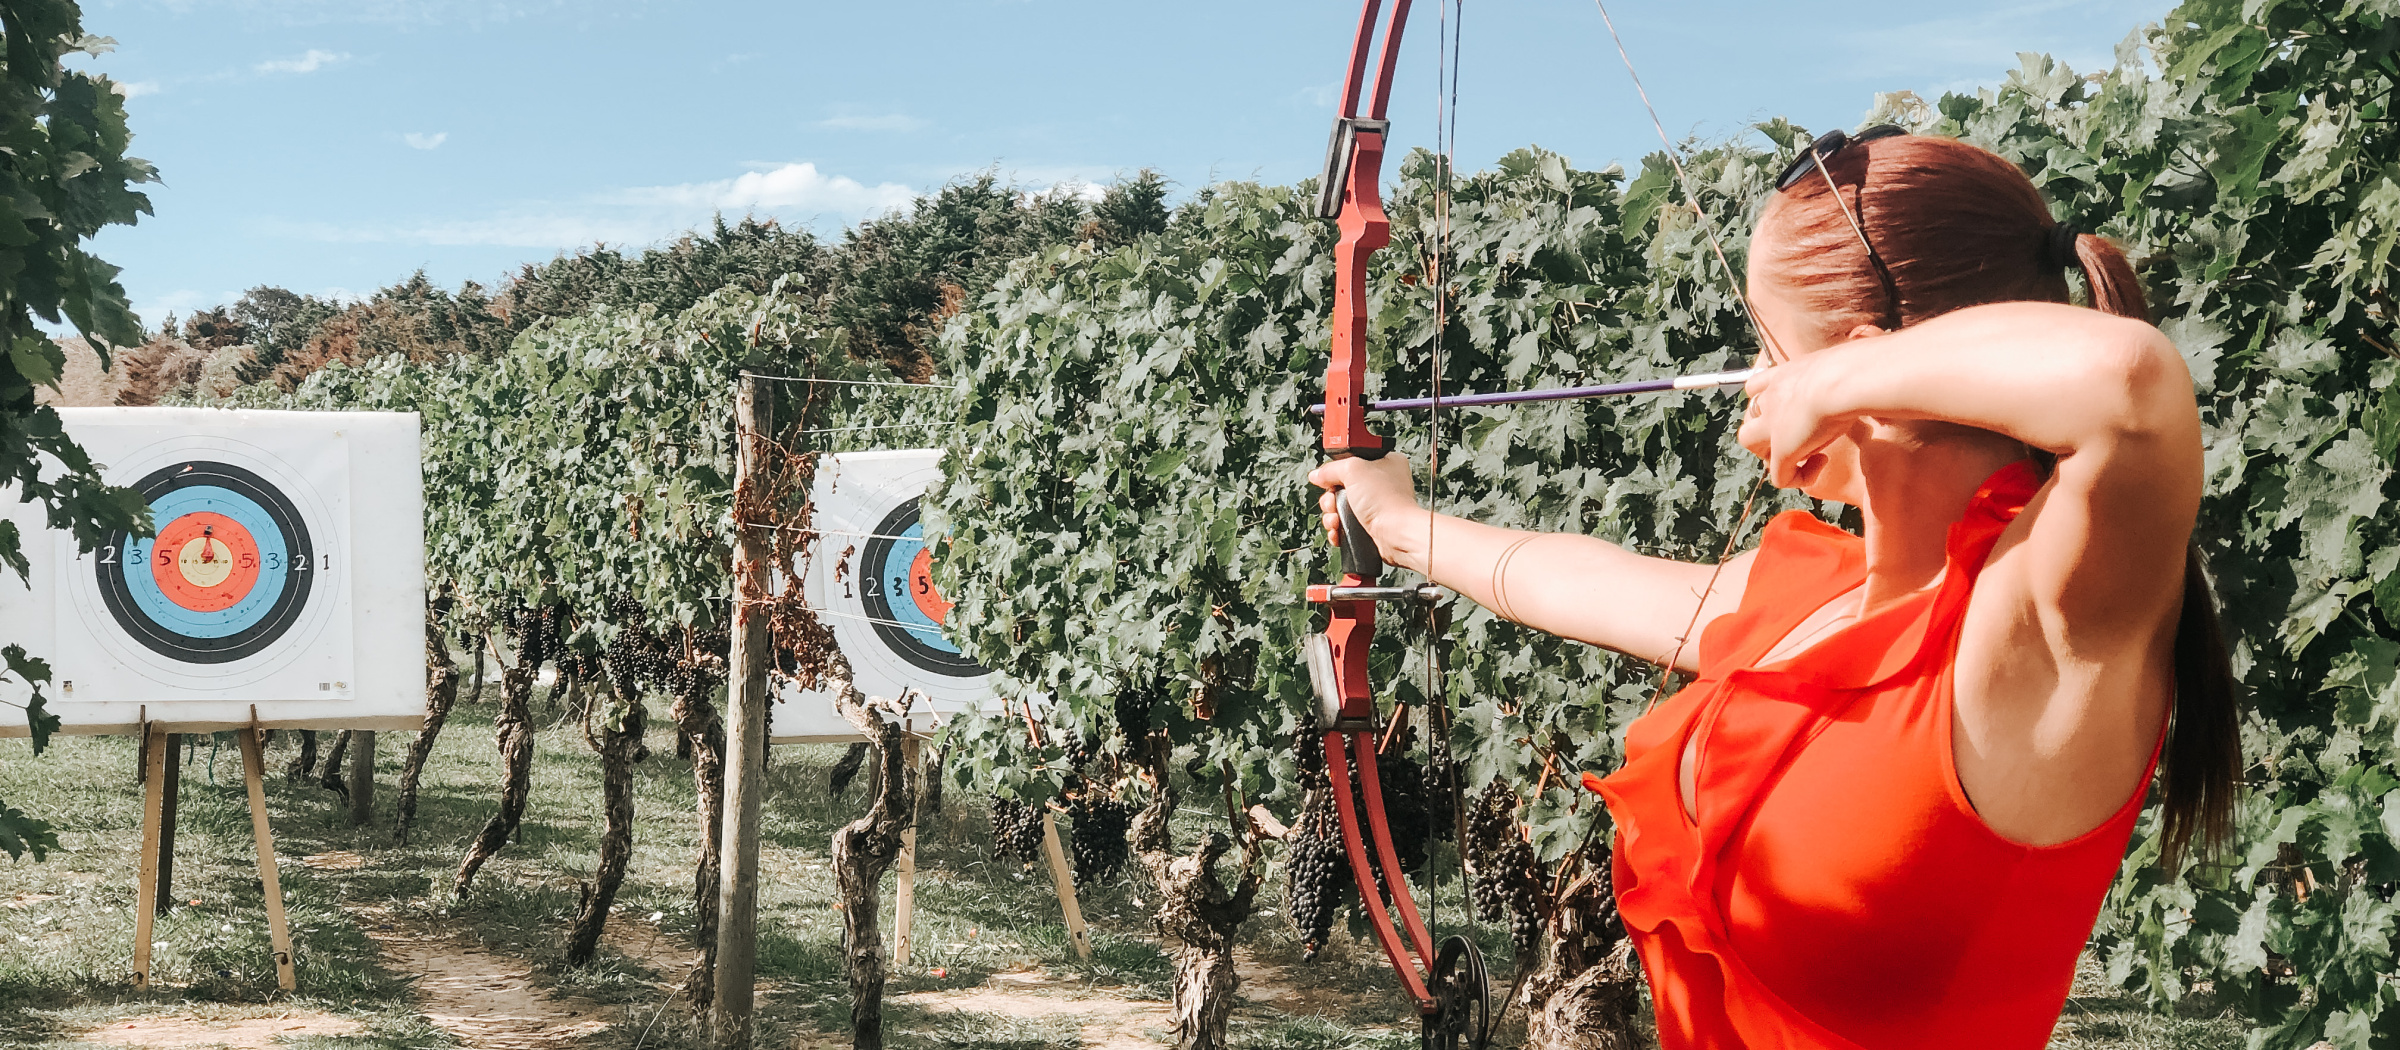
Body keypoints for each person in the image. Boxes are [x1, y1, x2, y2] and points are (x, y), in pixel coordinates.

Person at [1308, 130, 2240, 1050]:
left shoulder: (2034, 625)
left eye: (1767, 346)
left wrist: (1840, 374)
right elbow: (1572, 577)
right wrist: (1399, 527)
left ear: (1861, 366)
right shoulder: (1818, 596)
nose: (1755, 380)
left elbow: (2131, 382)